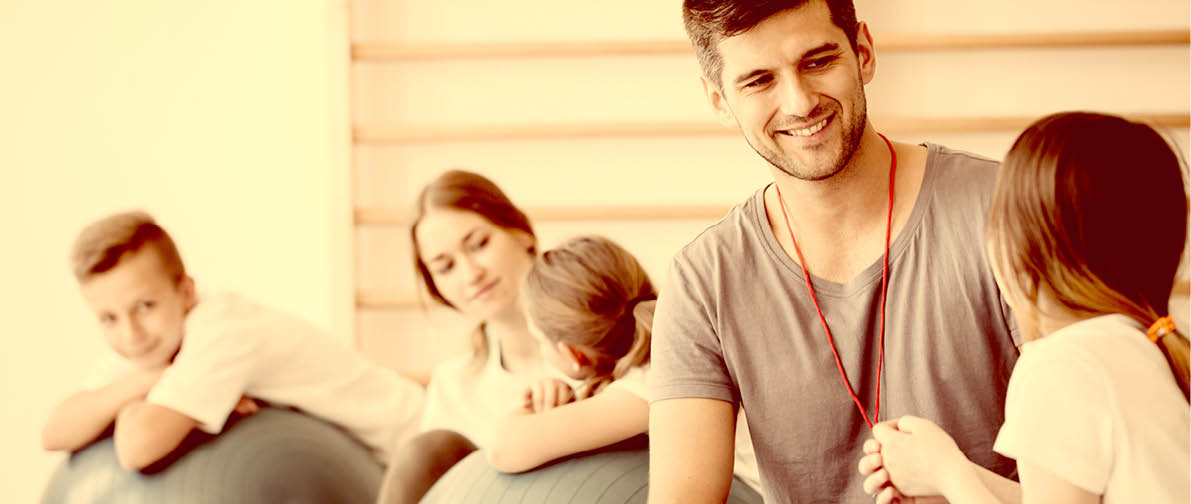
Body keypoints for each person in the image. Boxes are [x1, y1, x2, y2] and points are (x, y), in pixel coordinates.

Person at [649, 0, 1023, 501]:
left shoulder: (1006, 212)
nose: (800, 103)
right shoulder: (703, 279)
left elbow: (1093, 476)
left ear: (863, 52)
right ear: (718, 100)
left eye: (818, 61)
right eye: (759, 80)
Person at [858, 112, 1190, 504]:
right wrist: (948, 476)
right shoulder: (1134, 348)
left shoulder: (1062, 366)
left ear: (1019, 249)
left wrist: (947, 472)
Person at [41, 211, 425, 470]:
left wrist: (138, 395)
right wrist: (148, 381)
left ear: (187, 292)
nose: (130, 333)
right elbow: (54, 432)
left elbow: (136, 448)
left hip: (421, 440)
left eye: (144, 306)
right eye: (108, 318)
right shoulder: (146, 353)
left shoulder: (222, 333)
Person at [377, 170, 560, 503]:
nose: (471, 274)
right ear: (438, 288)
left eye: (479, 245)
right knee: (425, 454)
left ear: (522, 235)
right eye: (445, 267)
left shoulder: (603, 349)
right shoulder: (452, 384)